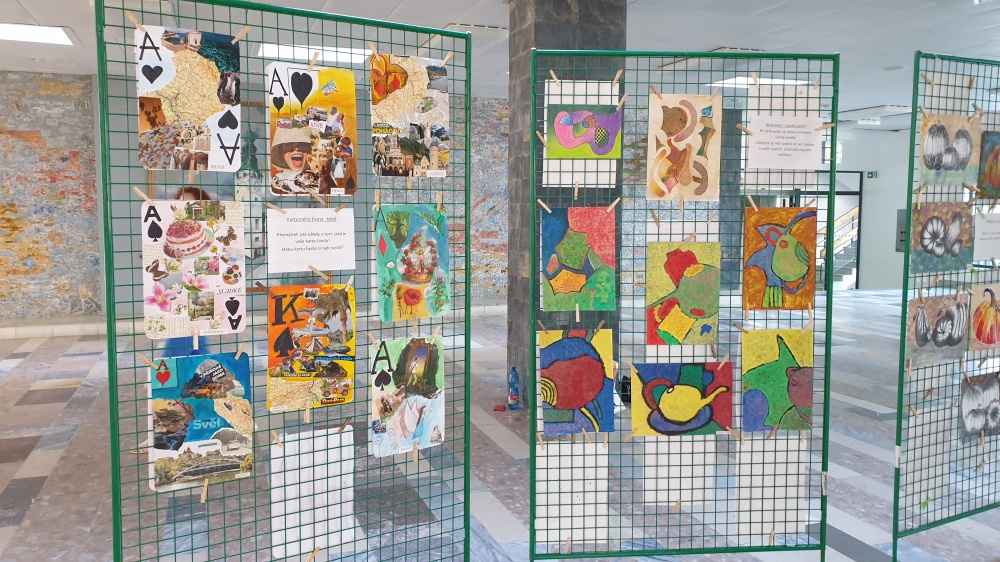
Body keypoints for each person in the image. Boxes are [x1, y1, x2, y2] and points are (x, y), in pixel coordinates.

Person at [159, 187, 213, 358]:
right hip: (178, 293)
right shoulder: (170, 234)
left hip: (201, 291)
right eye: (180, 203)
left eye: (189, 203)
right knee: (189, 340)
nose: (183, 207)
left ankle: (174, 370)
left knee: (192, 338)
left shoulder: (209, 235)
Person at [269, 127, 314, 194]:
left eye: (303, 146)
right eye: (288, 146)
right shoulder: (277, 180)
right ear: (282, 155)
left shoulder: (321, 179)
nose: (296, 149)